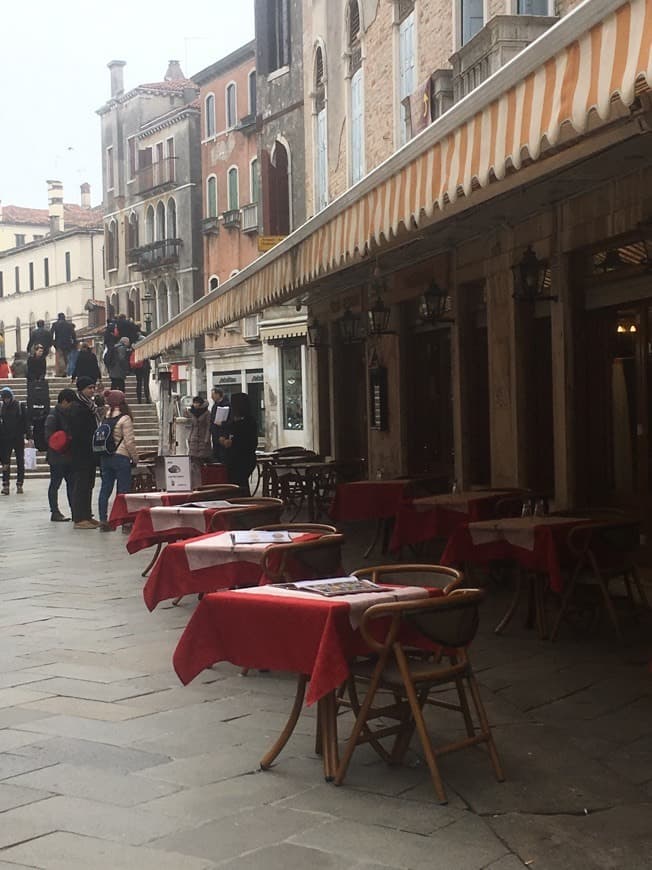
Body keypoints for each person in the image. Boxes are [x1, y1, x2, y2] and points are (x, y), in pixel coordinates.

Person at [97, 390, 140, 532]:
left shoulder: (105, 416)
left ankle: (103, 520)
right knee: (122, 492)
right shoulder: (125, 418)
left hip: (105, 457)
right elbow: (129, 442)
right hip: (121, 457)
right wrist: (135, 458)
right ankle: (124, 523)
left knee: (105, 489)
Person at [68, 376, 102, 529]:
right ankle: (79, 518)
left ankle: (87, 515)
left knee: (89, 484)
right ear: (81, 389)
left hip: (90, 451)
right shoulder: (77, 407)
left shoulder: (89, 405)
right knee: (81, 484)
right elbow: (78, 431)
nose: (92, 390)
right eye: (89, 388)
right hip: (81, 451)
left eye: (93, 387)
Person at [44, 388, 76, 522]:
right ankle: (54, 511)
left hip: (69, 456)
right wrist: (63, 441)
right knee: (55, 484)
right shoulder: (53, 415)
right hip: (57, 457)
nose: (72, 406)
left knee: (72, 484)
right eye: (70, 402)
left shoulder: (69, 414)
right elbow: (49, 437)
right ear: (64, 401)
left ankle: (75, 510)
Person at [219, 392, 258, 496]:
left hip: (242, 459)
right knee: (239, 486)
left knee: (239, 486)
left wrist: (228, 442)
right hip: (237, 459)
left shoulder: (247, 422)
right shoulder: (235, 421)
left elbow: (241, 441)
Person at [0, 386, 29, 495]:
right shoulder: (1, 407)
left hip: (18, 437)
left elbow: (26, 421)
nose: (6, 400)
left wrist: (29, 436)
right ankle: (5, 484)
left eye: (7, 398)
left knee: (20, 461)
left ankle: (19, 483)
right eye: (4, 398)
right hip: (5, 439)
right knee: (5, 463)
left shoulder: (20, 406)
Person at [185, 396, 212, 487]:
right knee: (193, 460)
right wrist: (189, 438)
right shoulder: (191, 412)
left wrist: (207, 438)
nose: (195, 404)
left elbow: (209, 426)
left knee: (202, 459)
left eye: (197, 403)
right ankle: (196, 483)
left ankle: (204, 482)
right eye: (194, 403)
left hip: (203, 439)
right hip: (193, 438)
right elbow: (191, 425)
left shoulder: (207, 413)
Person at [209, 387, 230, 460]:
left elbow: (229, 421)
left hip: (222, 434)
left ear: (218, 395)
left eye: (213, 395)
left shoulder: (226, 405)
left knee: (223, 455)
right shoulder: (215, 405)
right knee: (216, 455)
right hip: (215, 434)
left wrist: (224, 434)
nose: (211, 397)